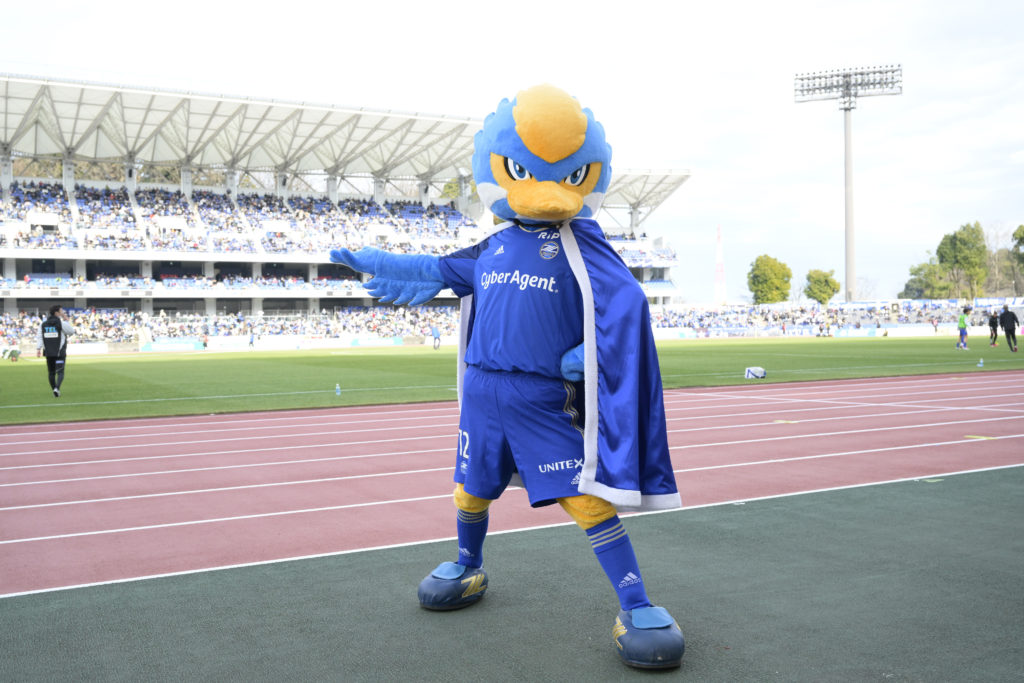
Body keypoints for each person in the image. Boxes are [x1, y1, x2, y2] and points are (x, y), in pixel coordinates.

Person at [331, 85, 683, 670]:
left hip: (542, 398)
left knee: (585, 500)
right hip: (482, 391)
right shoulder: (493, 246)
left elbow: (624, 307)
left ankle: (636, 603)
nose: (544, 189)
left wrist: (585, 354)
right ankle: (469, 566)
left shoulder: (582, 246)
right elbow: (431, 270)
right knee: (470, 488)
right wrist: (374, 261)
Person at [36, 304, 75, 397]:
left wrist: (38, 348)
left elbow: (40, 337)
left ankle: (54, 389)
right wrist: (66, 320)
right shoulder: (61, 323)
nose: (63, 313)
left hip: (49, 352)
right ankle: (57, 388)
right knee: (60, 372)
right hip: (60, 352)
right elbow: (71, 331)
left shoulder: (43, 324)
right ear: (56, 313)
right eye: (61, 311)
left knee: (51, 373)